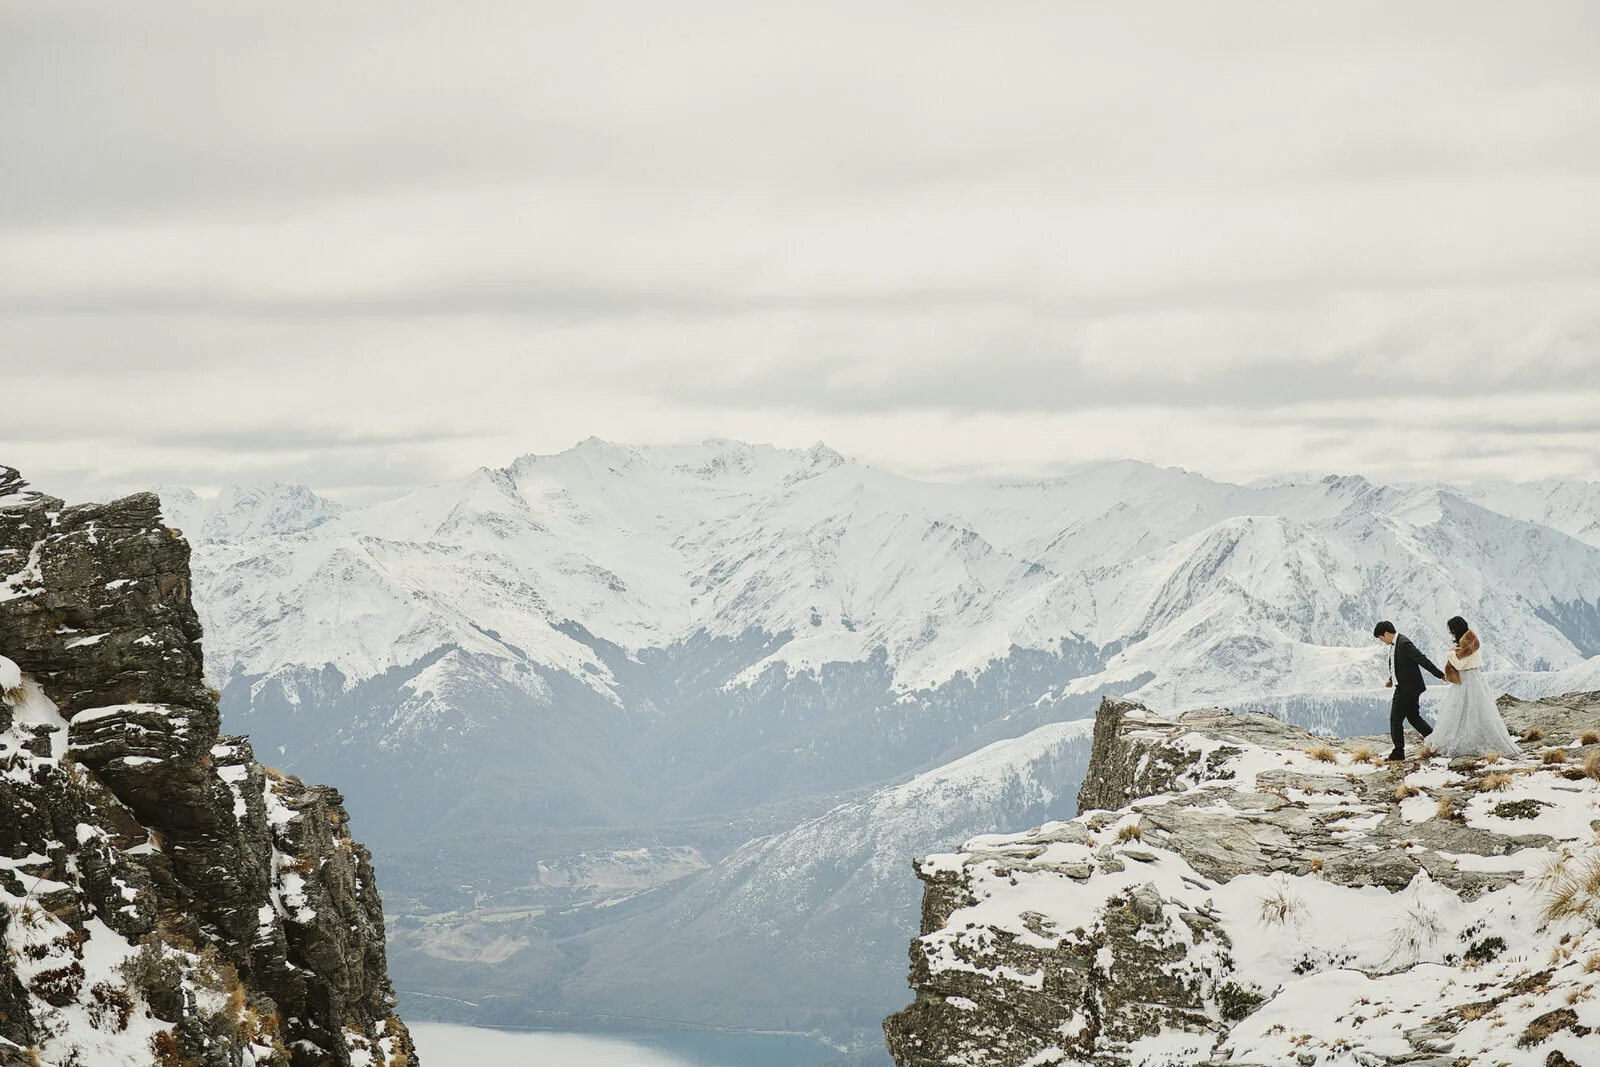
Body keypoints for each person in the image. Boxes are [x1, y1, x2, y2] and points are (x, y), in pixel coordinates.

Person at [1428, 615, 1520, 757]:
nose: (1450, 633)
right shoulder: (1471, 641)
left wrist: (1451, 653)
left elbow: (1460, 665)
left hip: (1466, 679)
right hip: (1474, 678)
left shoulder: (1467, 645)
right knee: (1478, 710)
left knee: (1462, 709)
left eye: (1451, 630)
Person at [1374, 620, 1444, 761]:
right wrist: (1391, 679)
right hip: (1404, 687)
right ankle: (1437, 742)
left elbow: (1421, 659)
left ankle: (1398, 752)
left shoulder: (1404, 643)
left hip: (1408, 689)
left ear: (1386, 634)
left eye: (1381, 638)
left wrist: (1440, 675)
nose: (1382, 641)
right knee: (1413, 718)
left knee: (1395, 719)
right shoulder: (1397, 643)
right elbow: (1399, 665)